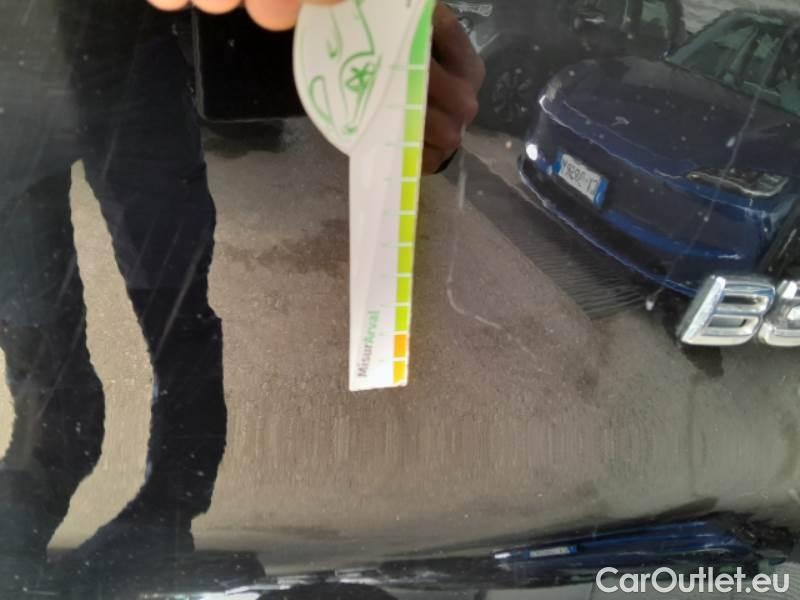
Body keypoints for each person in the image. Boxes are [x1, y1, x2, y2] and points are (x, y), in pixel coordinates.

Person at [0, 0, 483, 589]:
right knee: (45, 351)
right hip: (24, 90)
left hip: (125, 59)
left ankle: (172, 485)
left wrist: (392, 42)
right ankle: (114, 471)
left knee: (165, 277)